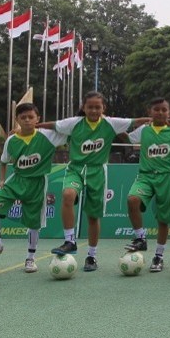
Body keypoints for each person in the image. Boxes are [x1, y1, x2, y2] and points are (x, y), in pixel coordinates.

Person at [38, 91, 149, 272]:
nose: (94, 110)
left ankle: (91, 256)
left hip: (97, 172)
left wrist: (155, 119)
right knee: (67, 194)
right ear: (84, 107)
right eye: (90, 107)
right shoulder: (74, 124)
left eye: (98, 107)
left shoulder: (111, 123)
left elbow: (135, 121)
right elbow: (53, 125)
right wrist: (33, 125)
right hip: (76, 169)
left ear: (103, 108)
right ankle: (69, 241)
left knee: (92, 216)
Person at [0, 102, 68, 273]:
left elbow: (69, 130)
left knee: (34, 223)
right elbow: (3, 161)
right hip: (16, 180)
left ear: (37, 119)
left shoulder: (48, 136)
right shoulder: (12, 140)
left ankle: (30, 259)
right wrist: (2, 180)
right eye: (22, 117)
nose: (27, 120)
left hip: (37, 183)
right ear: (17, 119)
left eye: (31, 117)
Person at [123, 97, 170, 272]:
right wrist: (115, 128)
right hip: (145, 176)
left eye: (164, 110)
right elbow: (128, 139)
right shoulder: (143, 130)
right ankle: (141, 238)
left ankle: (159, 256)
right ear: (149, 112)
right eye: (156, 109)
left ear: (169, 113)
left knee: (163, 219)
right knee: (132, 200)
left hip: (167, 178)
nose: (160, 112)